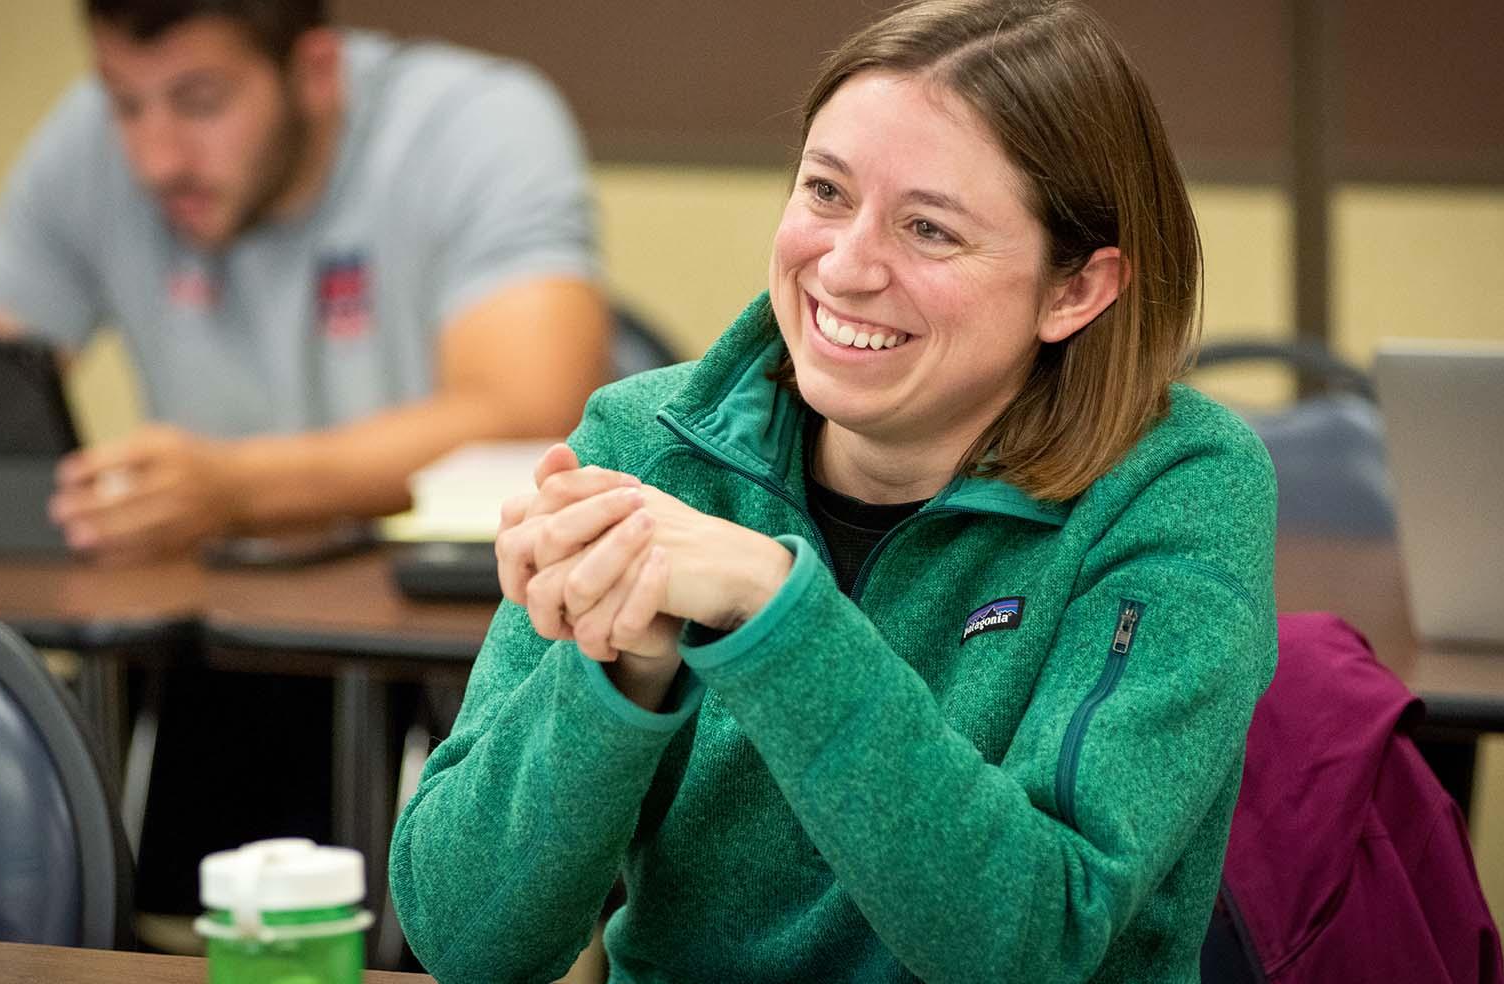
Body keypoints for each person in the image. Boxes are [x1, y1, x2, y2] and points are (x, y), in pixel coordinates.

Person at [390, 0, 1278, 980]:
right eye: (824, 191)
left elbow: (1035, 942)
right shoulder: (644, 445)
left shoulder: (1175, 484)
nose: (846, 267)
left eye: (929, 229)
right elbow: (466, 943)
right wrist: (619, 671)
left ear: (1074, 290)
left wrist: (774, 610)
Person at [0, 0, 608, 563]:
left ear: (315, 71)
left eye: (200, 102)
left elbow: (533, 417)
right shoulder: (90, 139)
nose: (156, 159)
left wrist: (239, 490)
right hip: (220, 631)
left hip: (450, 639)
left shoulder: (477, 122)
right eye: (123, 103)